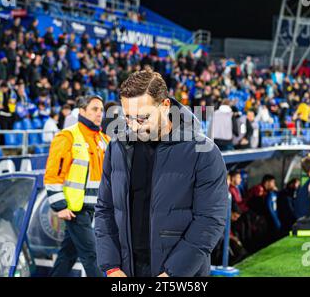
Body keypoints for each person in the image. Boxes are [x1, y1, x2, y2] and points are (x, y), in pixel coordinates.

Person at [95, 69, 228, 277]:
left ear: (165, 106)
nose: (134, 126)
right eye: (128, 117)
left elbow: (209, 220)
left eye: (143, 117)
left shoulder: (204, 152)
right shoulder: (117, 147)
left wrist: (172, 274)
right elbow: (105, 209)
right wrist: (111, 267)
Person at [44, 95, 110, 277]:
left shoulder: (104, 140)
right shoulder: (67, 136)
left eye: (101, 110)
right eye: (94, 109)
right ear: (82, 111)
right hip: (75, 210)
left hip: (95, 209)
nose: (99, 114)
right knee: (93, 256)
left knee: (68, 254)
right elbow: (53, 175)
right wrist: (60, 206)